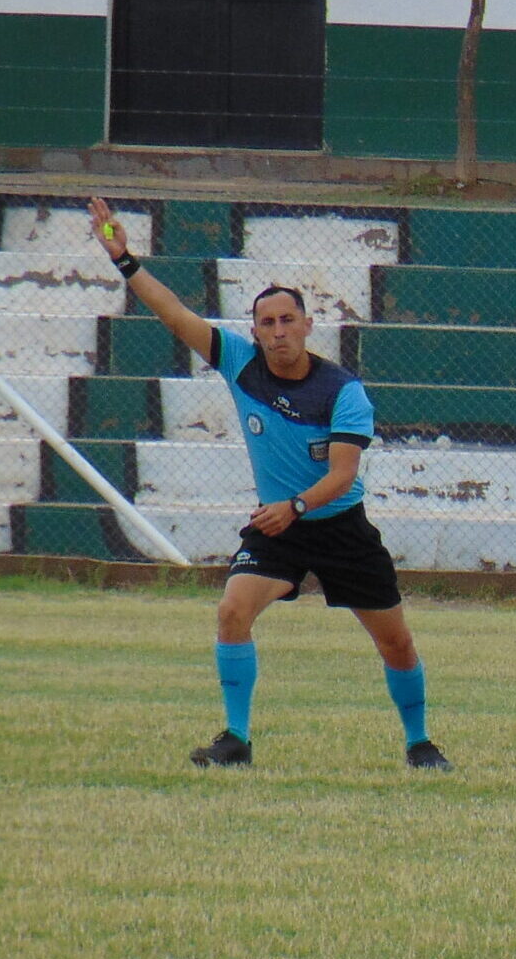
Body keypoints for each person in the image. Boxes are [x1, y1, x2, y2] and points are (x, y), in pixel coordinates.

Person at [88, 197, 451, 772]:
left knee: (397, 644)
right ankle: (235, 739)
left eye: (288, 321)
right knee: (233, 611)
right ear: (254, 333)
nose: (278, 331)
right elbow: (174, 312)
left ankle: (420, 742)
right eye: (267, 323)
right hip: (276, 527)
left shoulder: (342, 391)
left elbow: (343, 474)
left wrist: (296, 506)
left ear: (309, 326)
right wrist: (125, 260)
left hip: (338, 529)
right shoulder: (239, 363)